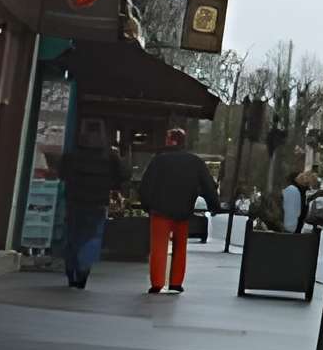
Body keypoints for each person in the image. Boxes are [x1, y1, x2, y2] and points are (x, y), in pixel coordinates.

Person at [134, 129, 217, 294]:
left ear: (169, 140)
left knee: (159, 246)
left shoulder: (159, 161)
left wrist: (147, 205)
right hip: (183, 211)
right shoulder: (195, 162)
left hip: (160, 211)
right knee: (181, 246)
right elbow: (208, 186)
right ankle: (176, 282)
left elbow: (145, 186)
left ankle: (157, 282)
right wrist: (214, 206)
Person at [55, 123, 126, 290]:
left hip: (74, 202)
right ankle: (83, 268)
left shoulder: (71, 157)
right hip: (98, 203)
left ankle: (71, 270)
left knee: (73, 235)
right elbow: (122, 176)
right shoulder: (110, 158)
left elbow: (62, 174)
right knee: (92, 236)